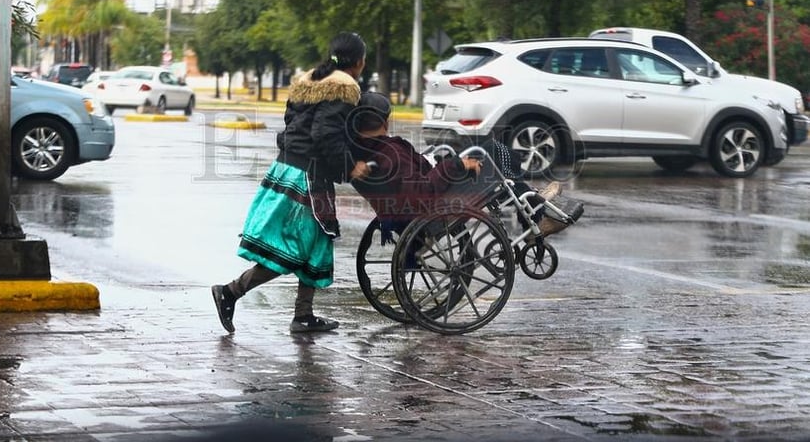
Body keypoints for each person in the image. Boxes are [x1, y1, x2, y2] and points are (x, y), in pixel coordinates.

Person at [212, 32, 372, 334]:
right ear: (360, 61)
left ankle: (303, 316)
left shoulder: (308, 80)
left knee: (315, 243)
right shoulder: (344, 87)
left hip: (290, 167)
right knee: (293, 248)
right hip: (306, 177)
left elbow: (293, 125)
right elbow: (326, 136)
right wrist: (351, 168)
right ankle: (230, 292)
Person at [349, 92, 561, 239]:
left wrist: (443, 162)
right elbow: (421, 192)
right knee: (495, 152)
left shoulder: (366, 150)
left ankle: (531, 201)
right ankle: (534, 213)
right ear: (386, 122)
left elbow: (414, 179)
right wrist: (455, 165)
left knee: (486, 153)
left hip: (417, 204)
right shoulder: (388, 154)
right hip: (431, 209)